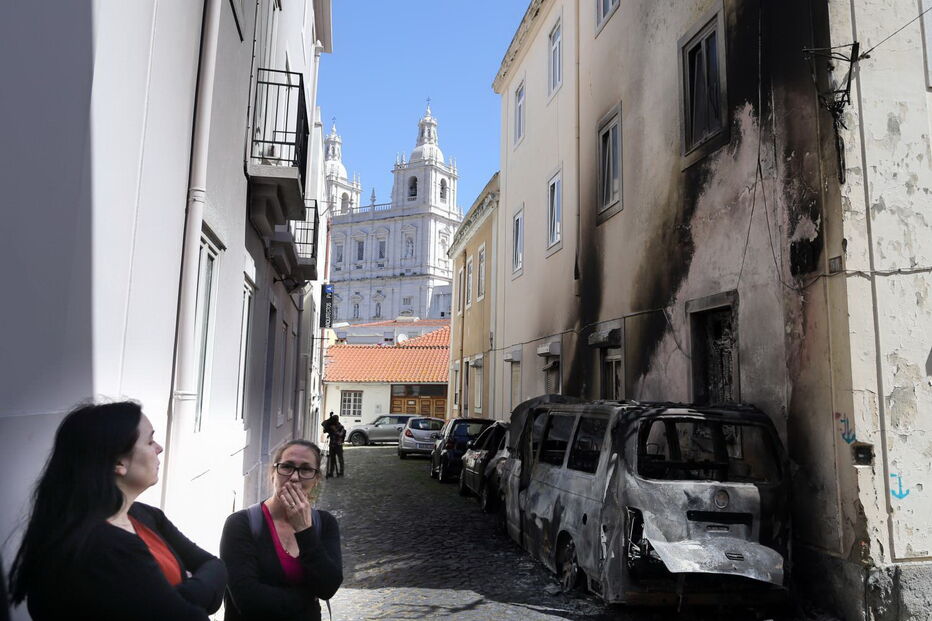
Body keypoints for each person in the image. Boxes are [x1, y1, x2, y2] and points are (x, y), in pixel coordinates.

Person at [7, 401, 227, 620]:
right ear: (118, 463)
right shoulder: (107, 548)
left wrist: (178, 596)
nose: (159, 448)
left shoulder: (145, 516)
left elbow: (214, 565)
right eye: (150, 441)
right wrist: (187, 591)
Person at [221, 440, 342, 621]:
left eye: (306, 469)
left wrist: (304, 530)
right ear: (273, 473)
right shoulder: (241, 524)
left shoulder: (324, 523)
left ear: (316, 479)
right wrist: (306, 598)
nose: (294, 477)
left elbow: (328, 587)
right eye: (287, 467)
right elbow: (248, 600)